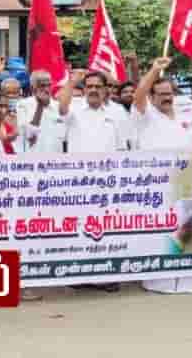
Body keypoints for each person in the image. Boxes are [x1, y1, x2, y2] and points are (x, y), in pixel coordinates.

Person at [132, 57, 192, 294]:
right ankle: (157, 281)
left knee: (185, 231)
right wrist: (154, 70)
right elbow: (138, 95)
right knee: (161, 233)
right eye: (161, 94)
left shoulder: (184, 117)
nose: (166, 97)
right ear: (152, 97)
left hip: (185, 182)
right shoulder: (146, 117)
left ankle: (184, 280)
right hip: (157, 186)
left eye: (169, 93)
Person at [59, 69, 129, 293]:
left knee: (107, 229)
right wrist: (72, 82)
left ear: (106, 90)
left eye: (98, 86)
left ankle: (108, 275)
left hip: (108, 182)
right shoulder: (74, 108)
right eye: (89, 86)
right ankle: (81, 274)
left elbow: (123, 147)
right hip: (79, 182)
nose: (93, 90)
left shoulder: (117, 112)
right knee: (81, 228)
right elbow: (61, 107)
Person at [16, 71, 66, 153]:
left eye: (49, 85)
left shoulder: (58, 106)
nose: (46, 89)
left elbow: (65, 138)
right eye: (42, 86)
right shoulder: (23, 105)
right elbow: (29, 136)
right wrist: (40, 105)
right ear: (32, 88)